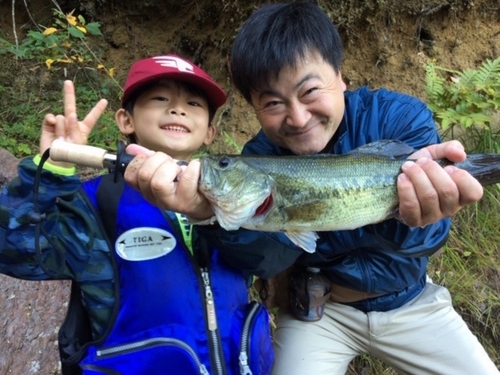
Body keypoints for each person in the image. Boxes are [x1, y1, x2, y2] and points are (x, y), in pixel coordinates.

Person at [122, 3, 500, 375]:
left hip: (413, 301)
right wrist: (207, 215)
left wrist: (423, 214)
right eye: (273, 102)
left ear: (340, 77)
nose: (298, 118)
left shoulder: (398, 118)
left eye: (309, 91)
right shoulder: (259, 156)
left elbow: (429, 239)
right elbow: (270, 261)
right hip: (319, 314)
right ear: (254, 106)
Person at [0, 54, 274, 375]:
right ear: (125, 120)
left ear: (210, 131)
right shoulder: (98, 202)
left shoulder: (237, 195)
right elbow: (14, 250)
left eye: (194, 104)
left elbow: (271, 258)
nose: (178, 109)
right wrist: (51, 172)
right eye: (160, 98)